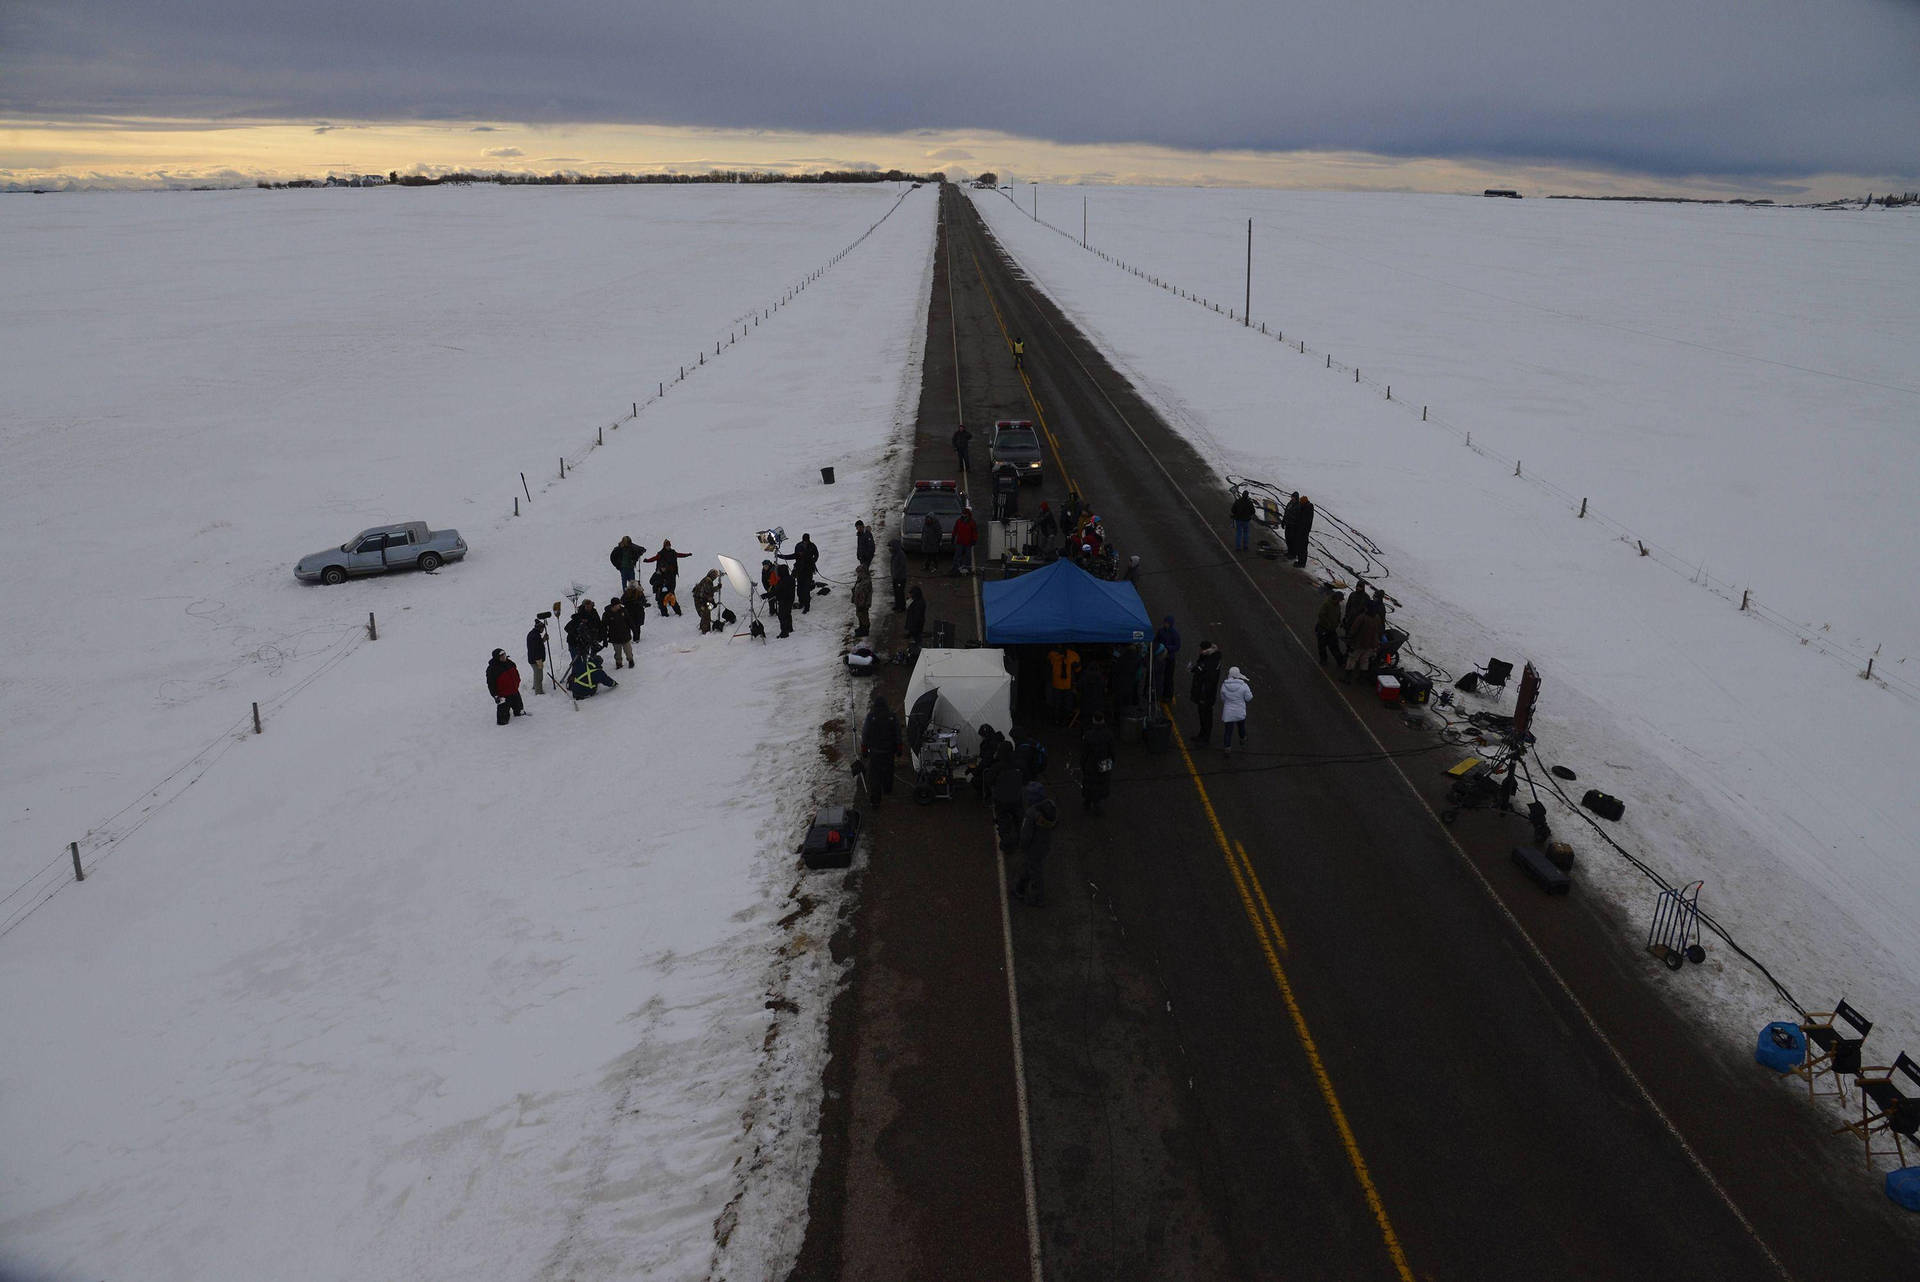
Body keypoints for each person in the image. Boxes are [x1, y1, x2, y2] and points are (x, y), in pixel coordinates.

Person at [1012, 781, 1056, 905]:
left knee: (1035, 871)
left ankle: (1038, 898)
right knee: (1031, 867)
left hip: (1033, 847)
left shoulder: (1031, 814)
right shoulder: (1050, 806)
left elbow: (1026, 835)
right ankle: (1020, 887)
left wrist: (1022, 846)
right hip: (1045, 844)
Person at [860, 692, 900, 807]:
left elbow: (865, 733)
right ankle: (887, 789)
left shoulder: (871, 717)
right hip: (889, 751)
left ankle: (875, 800)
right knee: (888, 771)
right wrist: (899, 747)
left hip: (875, 752)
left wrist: (864, 749)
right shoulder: (892, 716)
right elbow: (897, 732)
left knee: (875, 776)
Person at [992, 748, 1028, 851]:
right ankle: (1022, 841)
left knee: (1003, 821)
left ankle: (1007, 844)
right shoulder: (1020, 764)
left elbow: (989, 779)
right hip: (1017, 797)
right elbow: (1026, 778)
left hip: (1001, 799)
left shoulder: (997, 767)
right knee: (1019, 819)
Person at [1079, 714, 1115, 814]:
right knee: (1102, 782)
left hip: (1090, 764)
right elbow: (1112, 751)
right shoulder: (1109, 735)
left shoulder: (1088, 735)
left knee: (1089, 783)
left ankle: (1088, 801)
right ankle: (1097, 803)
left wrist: (1082, 763)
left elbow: (1084, 753)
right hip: (1103, 763)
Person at [1189, 639, 1222, 744]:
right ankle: (1202, 735)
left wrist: (1199, 669)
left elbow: (1208, 678)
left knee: (1206, 715)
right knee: (1203, 714)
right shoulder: (1210, 658)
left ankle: (1205, 738)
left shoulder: (1211, 661)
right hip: (1203, 693)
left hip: (1206, 694)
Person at [644, 541, 688, 615]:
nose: (668, 547)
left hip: (671, 573)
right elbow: (654, 558)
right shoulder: (661, 554)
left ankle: (674, 604)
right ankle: (664, 612)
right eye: (667, 546)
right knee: (661, 600)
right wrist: (647, 560)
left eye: (669, 545)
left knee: (671, 589)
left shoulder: (673, 552)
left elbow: (679, 555)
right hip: (661, 585)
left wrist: (687, 555)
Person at [1345, 602, 1384, 682]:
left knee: (1352, 659)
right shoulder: (1377, 618)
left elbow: (1354, 630)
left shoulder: (1362, 617)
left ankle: (1347, 678)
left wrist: (1349, 638)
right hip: (1371, 645)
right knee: (1364, 660)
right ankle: (1362, 678)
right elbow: (1380, 630)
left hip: (1359, 643)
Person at [781, 533, 820, 613]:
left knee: (806, 589)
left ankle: (807, 606)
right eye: (804, 541)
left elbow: (816, 555)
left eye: (807, 541)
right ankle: (801, 602)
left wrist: (813, 561)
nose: (805, 542)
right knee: (799, 588)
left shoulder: (812, 546)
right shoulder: (798, 546)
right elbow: (794, 555)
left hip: (808, 571)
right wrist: (782, 556)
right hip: (799, 571)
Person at [486, 648, 526, 722]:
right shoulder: (492, 669)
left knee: (520, 711)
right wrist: (495, 695)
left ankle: (520, 715)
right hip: (503, 695)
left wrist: (517, 681)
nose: (503, 657)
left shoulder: (510, 663)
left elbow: (516, 673)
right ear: (497, 657)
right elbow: (491, 684)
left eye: (504, 655)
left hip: (514, 691)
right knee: (503, 719)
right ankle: (504, 731)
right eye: (501, 656)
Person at [1219, 666, 1253, 752]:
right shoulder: (1244, 686)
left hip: (1228, 712)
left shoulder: (1224, 685)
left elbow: (1223, 698)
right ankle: (1242, 739)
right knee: (1241, 726)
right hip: (1240, 711)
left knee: (1228, 731)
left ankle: (1227, 748)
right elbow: (1249, 698)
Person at [1047, 645, 1081, 725]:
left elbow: (1078, 669)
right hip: (1062, 685)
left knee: (1059, 703)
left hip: (1061, 685)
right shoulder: (1073, 655)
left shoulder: (1052, 655)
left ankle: (1059, 720)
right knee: (1064, 704)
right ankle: (1062, 720)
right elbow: (1078, 669)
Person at [1153, 616, 1181, 706]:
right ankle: (1159, 693)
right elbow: (1156, 640)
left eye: (1167, 623)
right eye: (1165, 622)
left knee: (1168, 677)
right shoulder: (1161, 631)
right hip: (1161, 657)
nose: (1165, 624)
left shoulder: (1175, 634)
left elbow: (1177, 646)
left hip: (1169, 658)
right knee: (1159, 676)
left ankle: (1168, 696)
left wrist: (1166, 648)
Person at [1314, 590, 1347, 667]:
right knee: (1322, 646)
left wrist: (1339, 621)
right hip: (1323, 628)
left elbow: (1338, 615)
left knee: (1335, 647)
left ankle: (1340, 662)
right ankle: (1323, 660)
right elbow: (1321, 615)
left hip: (1332, 630)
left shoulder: (1337, 605)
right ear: (1337, 598)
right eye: (1340, 599)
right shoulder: (1327, 604)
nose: (1341, 601)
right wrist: (1328, 624)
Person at [973, 723, 1004, 802]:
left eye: (982, 736)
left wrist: (976, 770)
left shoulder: (991, 744)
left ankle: (987, 796)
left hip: (992, 769)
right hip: (996, 768)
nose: (982, 738)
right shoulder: (995, 741)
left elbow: (987, 760)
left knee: (975, 780)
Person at [1073, 660, 1106, 728]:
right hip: (1098, 705)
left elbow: (1078, 688)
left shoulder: (1084, 676)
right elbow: (1103, 690)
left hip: (1085, 704)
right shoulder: (1101, 677)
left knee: (1085, 722)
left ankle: (1085, 734)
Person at [603, 597, 634, 669]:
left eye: (619, 604)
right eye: (618, 605)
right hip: (614, 636)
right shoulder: (607, 614)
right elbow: (604, 626)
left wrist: (634, 630)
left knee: (628, 651)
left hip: (625, 635)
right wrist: (605, 638)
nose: (619, 606)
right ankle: (618, 663)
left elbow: (629, 621)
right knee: (617, 652)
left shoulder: (623, 610)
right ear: (613, 605)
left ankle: (630, 660)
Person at [1286, 494, 1316, 567]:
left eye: (1301, 502)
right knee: (1300, 547)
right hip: (1301, 532)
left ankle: (1301, 563)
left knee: (1302, 548)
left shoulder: (1307, 510)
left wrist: (1299, 531)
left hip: (1303, 533)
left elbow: (1304, 523)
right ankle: (1300, 561)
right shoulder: (1306, 508)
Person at [768, 559, 795, 638]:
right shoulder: (790, 578)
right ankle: (789, 628)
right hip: (790, 599)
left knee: (782, 616)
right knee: (788, 614)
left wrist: (767, 595)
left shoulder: (783, 580)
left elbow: (778, 591)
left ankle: (784, 632)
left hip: (784, 600)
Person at [691, 569, 722, 634]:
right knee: (706, 614)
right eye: (715, 575)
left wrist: (712, 601)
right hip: (700, 601)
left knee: (706, 613)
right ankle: (705, 632)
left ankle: (703, 627)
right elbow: (709, 592)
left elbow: (708, 592)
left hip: (702, 600)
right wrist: (717, 588)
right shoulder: (707, 580)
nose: (715, 577)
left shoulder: (707, 580)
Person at [526, 615, 549, 695]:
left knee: (536, 674)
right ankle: (538, 692)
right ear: (539, 628)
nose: (543, 630)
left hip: (533, 658)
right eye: (542, 628)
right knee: (539, 676)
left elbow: (537, 645)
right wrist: (539, 660)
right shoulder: (535, 636)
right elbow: (536, 648)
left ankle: (535, 686)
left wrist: (543, 640)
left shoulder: (533, 634)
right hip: (536, 659)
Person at [951, 507, 978, 576]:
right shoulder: (959, 521)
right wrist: (953, 537)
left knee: (967, 557)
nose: (963, 515)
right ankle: (955, 568)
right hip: (960, 542)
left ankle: (967, 569)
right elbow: (955, 529)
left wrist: (974, 540)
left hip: (968, 542)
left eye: (965, 514)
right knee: (957, 556)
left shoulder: (972, 522)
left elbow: (974, 532)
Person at [850, 563, 873, 637]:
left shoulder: (866, 582)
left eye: (859, 573)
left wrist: (862, 603)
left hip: (863, 603)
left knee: (864, 616)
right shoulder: (860, 580)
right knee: (859, 615)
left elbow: (865, 594)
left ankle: (865, 630)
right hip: (859, 602)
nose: (858, 574)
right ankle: (861, 627)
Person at [888, 537, 909, 612]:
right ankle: (897, 605)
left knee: (900, 593)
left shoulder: (900, 554)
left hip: (900, 578)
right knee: (896, 592)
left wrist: (896, 575)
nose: (889, 548)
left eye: (890, 546)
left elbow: (902, 566)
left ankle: (901, 607)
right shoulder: (894, 554)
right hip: (895, 577)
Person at [903, 585, 926, 649]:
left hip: (916, 623)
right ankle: (912, 636)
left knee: (917, 635)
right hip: (913, 621)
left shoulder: (919, 603)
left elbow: (917, 616)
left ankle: (918, 646)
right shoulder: (916, 600)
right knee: (914, 632)